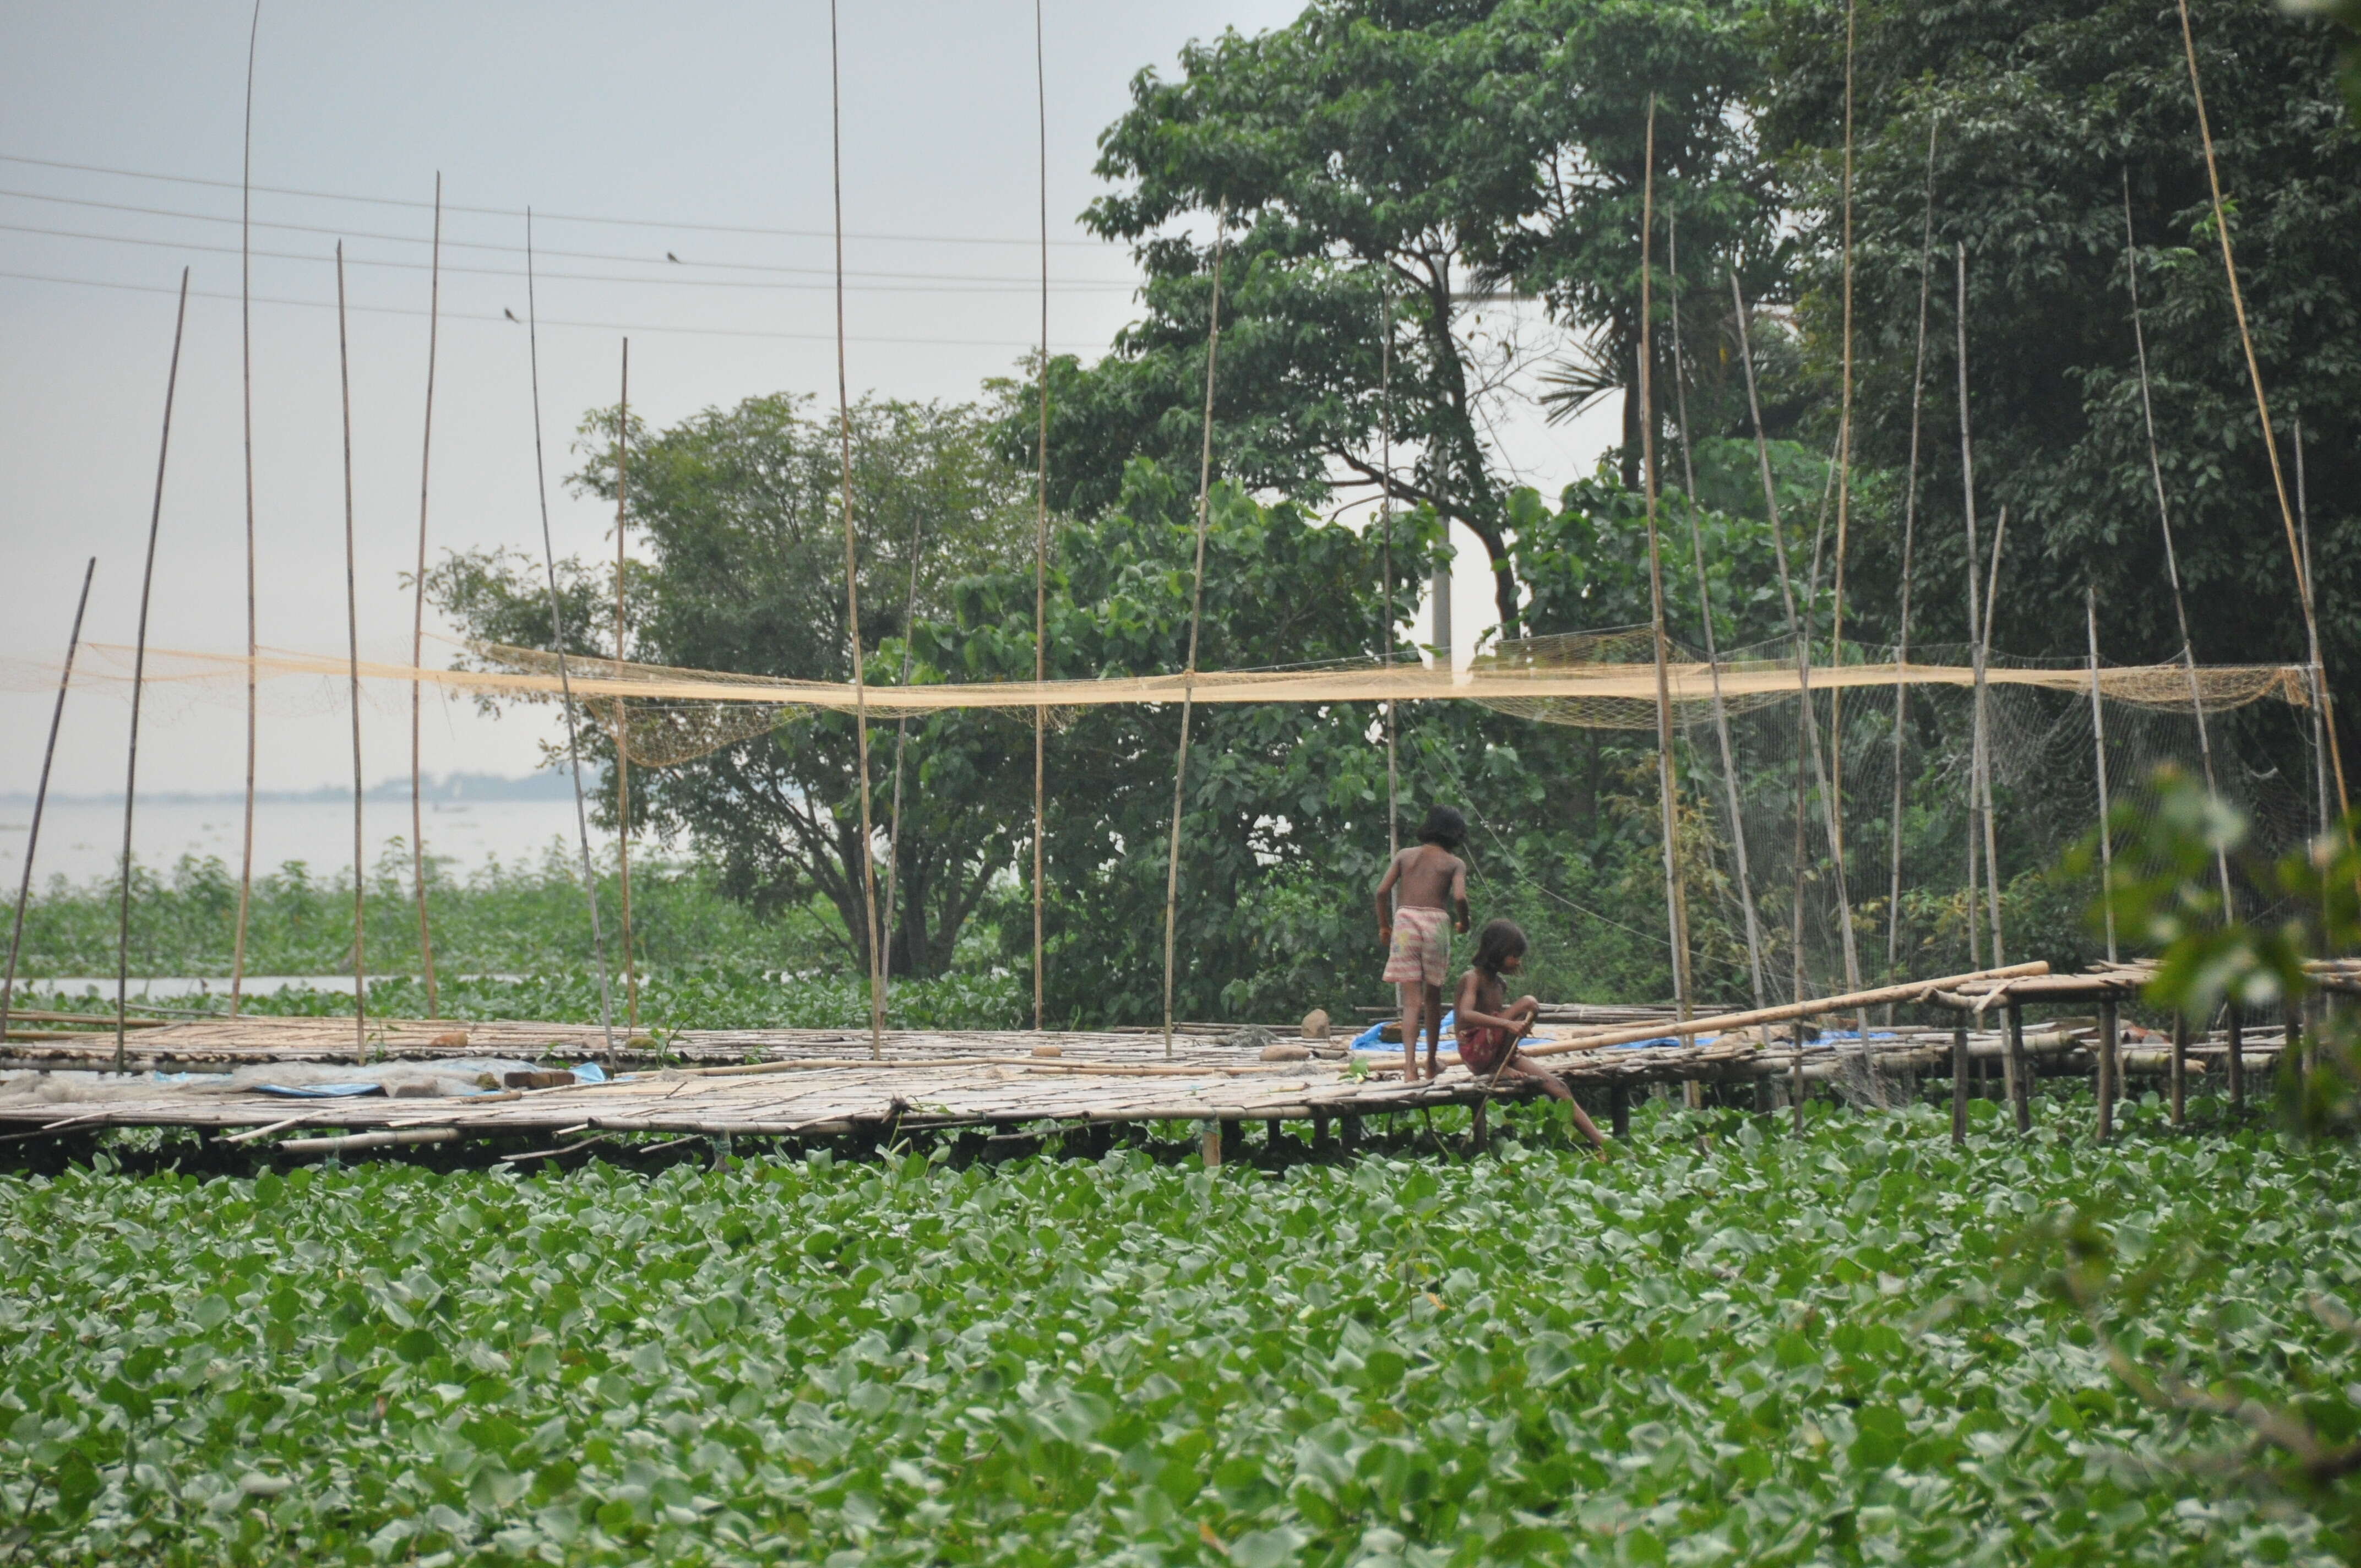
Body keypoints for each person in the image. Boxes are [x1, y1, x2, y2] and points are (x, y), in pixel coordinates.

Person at [1454, 918, 1608, 1154]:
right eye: (1514, 955)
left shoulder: (1500, 984)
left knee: (1559, 1087)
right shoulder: (1471, 979)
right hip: (1476, 1053)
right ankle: (1496, 1068)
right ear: (1497, 952)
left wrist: (1513, 1023)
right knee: (1527, 1002)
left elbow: (1506, 1023)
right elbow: (1466, 1014)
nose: (1517, 961)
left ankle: (1602, 1143)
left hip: (1499, 1052)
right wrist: (1507, 1022)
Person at [1374, 804, 1469, 1082]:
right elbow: (1461, 899)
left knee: (1411, 1002)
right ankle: (1430, 1064)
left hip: (1404, 923)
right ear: (1455, 834)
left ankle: (1408, 1068)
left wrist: (1384, 926)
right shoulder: (1454, 863)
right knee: (1433, 999)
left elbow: (1381, 892)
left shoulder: (1405, 856)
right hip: (1436, 925)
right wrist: (1465, 922)